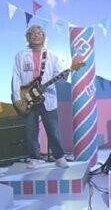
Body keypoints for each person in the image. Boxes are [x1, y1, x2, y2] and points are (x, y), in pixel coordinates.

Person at [11, 24, 70, 168]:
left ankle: (59, 157)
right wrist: (17, 98)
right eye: (33, 33)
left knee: (52, 129)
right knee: (31, 130)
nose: (36, 35)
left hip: (47, 98)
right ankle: (34, 157)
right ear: (28, 37)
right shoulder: (20, 55)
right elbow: (16, 77)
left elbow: (60, 76)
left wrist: (64, 75)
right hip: (27, 98)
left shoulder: (52, 56)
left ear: (44, 37)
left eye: (39, 33)